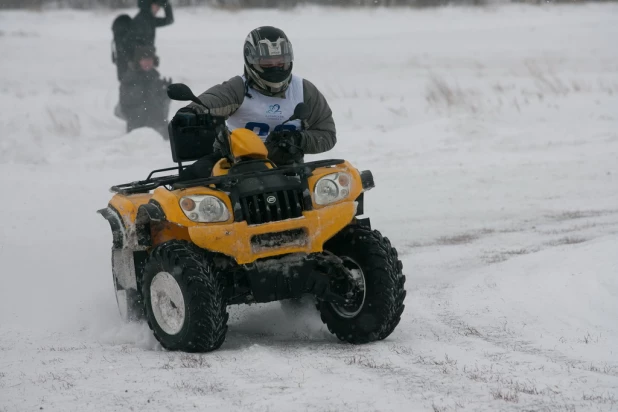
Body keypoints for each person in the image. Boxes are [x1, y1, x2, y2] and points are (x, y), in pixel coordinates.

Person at [173, 26, 336, 180]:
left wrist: (298, 140)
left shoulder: (304, 90)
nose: (275, 68)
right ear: (250, 61)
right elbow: (208, 102)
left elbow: (327, 135)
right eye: (267, 63)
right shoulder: (238, 88)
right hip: (232, 166)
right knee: (186, 183)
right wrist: (191, 112)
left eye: (280, 62)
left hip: (287, 168)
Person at [119, 46, 172, 138]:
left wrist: (167, 93)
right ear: (138, 61)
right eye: (144, 59)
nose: (147, 63)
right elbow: (126, 105)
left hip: (157, 125)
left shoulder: (155, 77)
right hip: (137, 127)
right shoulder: (130, 79)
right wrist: (144, 89)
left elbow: (160, 104)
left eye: (150, 60)